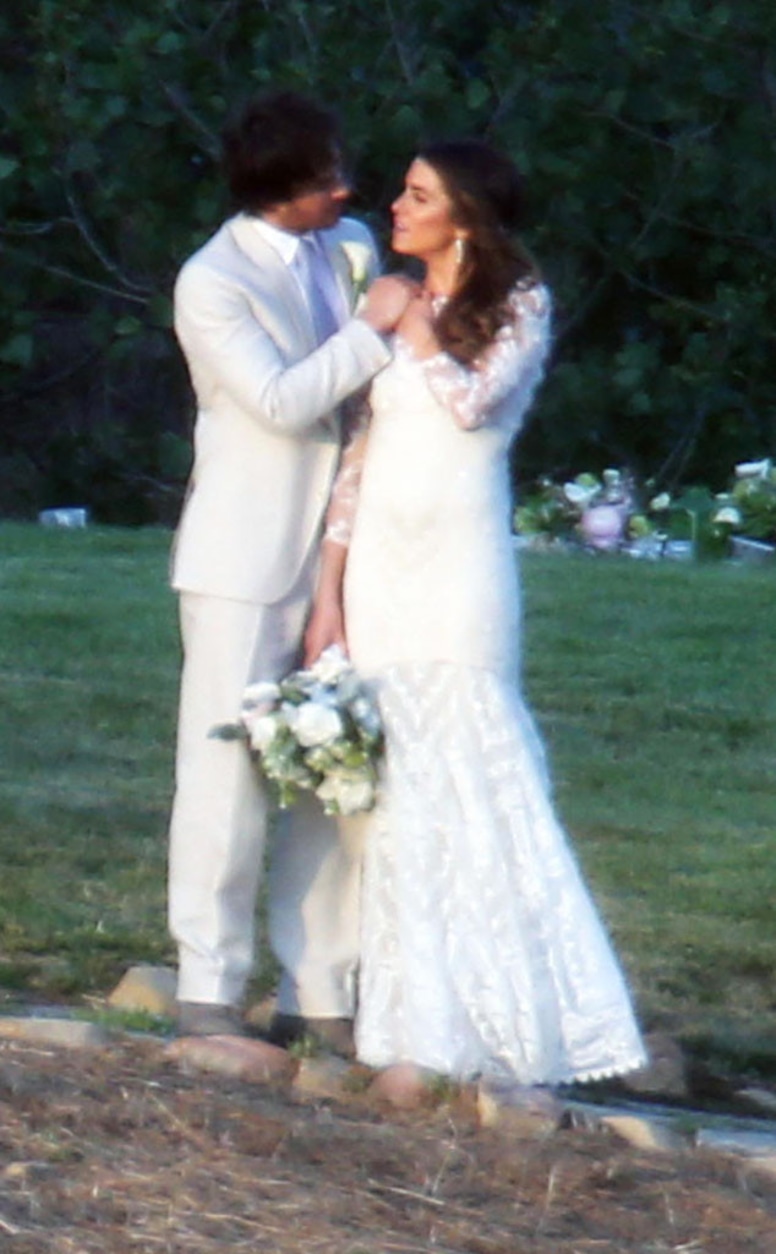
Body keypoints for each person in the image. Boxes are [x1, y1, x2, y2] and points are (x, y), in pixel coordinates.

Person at [307, 140, 646, 1101]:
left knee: (469, 763)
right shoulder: (387, 302)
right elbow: (359, 455)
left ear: (463, 213)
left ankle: (510, 1019)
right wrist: (329, 592)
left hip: (457, 573)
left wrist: (410, 325)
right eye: (402, 194)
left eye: (417, 196)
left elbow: (470, 404)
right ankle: (413, 1031)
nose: (396, 208)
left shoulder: (519, 304)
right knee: (401, 794)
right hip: (380, 567)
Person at [166, 90, 413, 1078]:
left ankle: (320, 990)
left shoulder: (346, 244)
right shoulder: (210, 280)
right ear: (273, 194)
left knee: (336, 769)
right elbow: (276, 402)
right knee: (225, 772)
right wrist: (372, 329)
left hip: (351, 553)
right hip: (242, 556)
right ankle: (206, 985)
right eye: (321, 182)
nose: (344, 189)